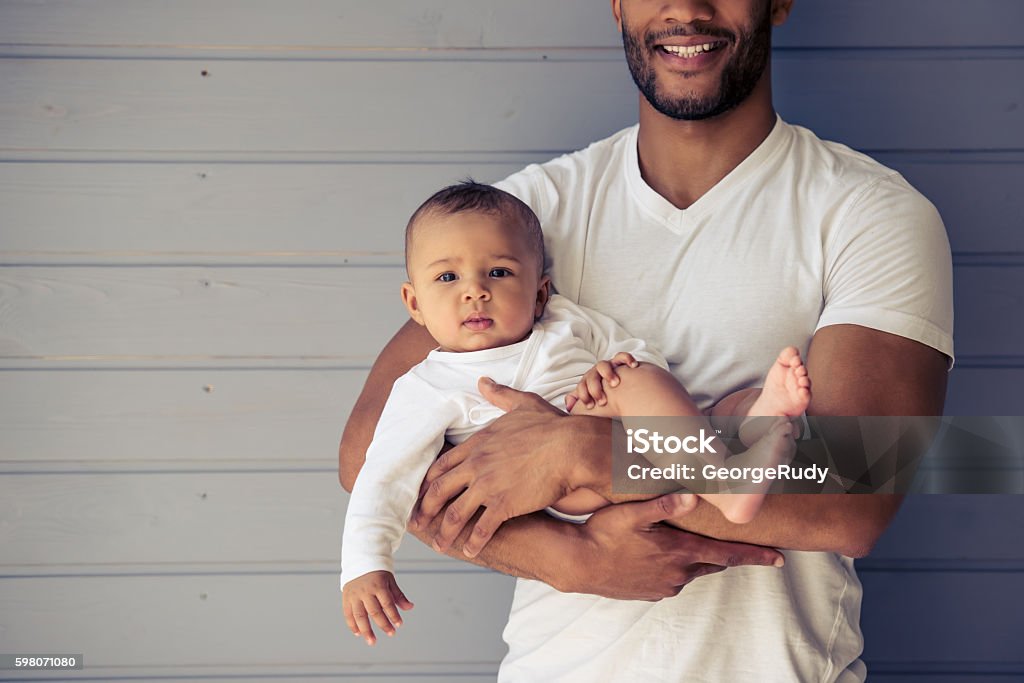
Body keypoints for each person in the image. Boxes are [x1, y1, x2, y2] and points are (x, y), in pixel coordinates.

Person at [339, 0, 953, 680]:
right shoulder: (521, 222)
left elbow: (856, 495)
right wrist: (565, 558)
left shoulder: (870, 213)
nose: (686, 9)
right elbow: (369, 449)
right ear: (617, 5)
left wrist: (585, 453)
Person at [340, 182, 811, 645]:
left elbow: (635, 354)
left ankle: (760, 419)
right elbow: (380, 474)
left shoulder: (565, 321)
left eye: (499, 273)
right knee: (655, 400)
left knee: (719, 407)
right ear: (414, 304)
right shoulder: (427, 385)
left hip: (643, 440)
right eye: (448, 278)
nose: (476, 292)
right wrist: (365, 564)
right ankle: (728, 488)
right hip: (570, 496)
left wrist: (610, 373)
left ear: (540, 293)